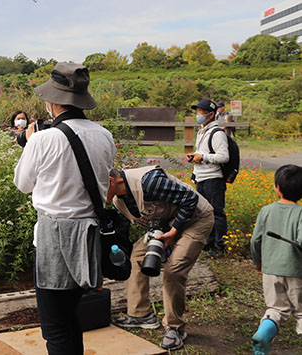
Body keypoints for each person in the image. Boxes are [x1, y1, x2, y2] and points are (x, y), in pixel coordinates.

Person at [13, 62, 115, 355]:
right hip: (88, 234)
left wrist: (30, 143)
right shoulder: (104, 135)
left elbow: (23, 184)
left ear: (52, 102)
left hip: (54, 237)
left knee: (55, 326)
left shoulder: (43, 139)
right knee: (72, 317)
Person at [109, 166, 214, 350]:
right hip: (165, 226)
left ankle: (175, 328)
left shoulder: (149, 181)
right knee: (136, 256)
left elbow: (190, 199)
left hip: (196, 220)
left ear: (110, 182)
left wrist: (173, 233)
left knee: (174, 270)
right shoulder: (119, 202)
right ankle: (141, 315)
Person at [250, 164, 302, 355]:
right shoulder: (301, 213)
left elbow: (255, 240)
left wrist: (258, 261)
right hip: (297, 271)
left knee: (276, 309)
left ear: (277, 187)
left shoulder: (265, 210)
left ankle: (262, 337)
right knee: (301, 311)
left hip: (270, 269)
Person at [188, 99, 229, 257]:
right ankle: (209, 243)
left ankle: (220, 246)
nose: (198, 115)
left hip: (213, 178)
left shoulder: (218, 133)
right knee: (204, 213)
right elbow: (203, 153)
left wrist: (203, 157)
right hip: (202, 177)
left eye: (201, 112)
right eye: (197, 111)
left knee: (217, 213)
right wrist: (195, 159)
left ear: (211, 115)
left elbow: (224, 157)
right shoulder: (201, 131)